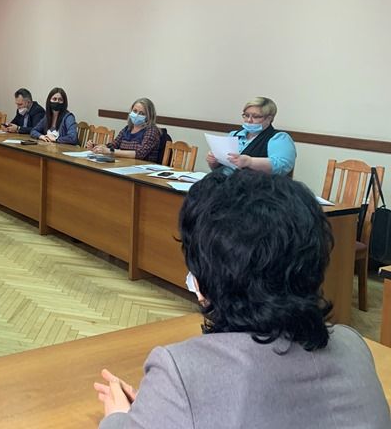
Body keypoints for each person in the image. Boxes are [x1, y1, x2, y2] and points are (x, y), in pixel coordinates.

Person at [94, 171, 390, 429]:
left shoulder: (180, 371)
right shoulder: (353, 346)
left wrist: (120, 416)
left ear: (204, 281)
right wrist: (162, 408)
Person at [206, 97, 296, 176]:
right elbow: (221, 168)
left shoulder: (279, 138)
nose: (249, 120)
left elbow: (282, 166)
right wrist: (213, 162)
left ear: (269, 118)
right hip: (223, 182)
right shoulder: (234, 135)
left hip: (256, 186)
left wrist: (250, 162)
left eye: (256, 116)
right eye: (246, 115)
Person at [86, 98, 161, 162]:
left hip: (143, 170)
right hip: (124, 165)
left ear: (149, 116)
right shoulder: (127, 129)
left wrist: (110, 151)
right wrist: (96, 147)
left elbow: (140, 154)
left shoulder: (152, 131)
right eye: (135, 111)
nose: (137, 115)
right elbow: (113, 145)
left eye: (141, 113)